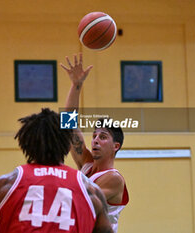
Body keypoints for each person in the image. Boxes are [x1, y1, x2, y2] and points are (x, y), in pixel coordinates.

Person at [0, 108, 113, 233]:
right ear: (68, 147)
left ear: (25, 145)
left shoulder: (8, 183)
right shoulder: (91, 191)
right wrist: (77, 86)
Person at [61, 53, 129, 233]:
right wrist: (76, 85)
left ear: (116, 146)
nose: (96, 140)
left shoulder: (114, 179)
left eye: (103, 136)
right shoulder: (86, 165)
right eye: (94, 135)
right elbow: (68, 124)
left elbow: (81, 201)